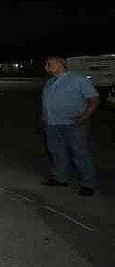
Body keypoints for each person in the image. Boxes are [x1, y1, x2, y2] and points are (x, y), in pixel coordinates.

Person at [41, 55, 100, 196]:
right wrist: (43, 118)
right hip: (52, 124)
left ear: (61, 64)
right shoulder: (49, 82)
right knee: (57, 152)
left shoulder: (78, 80)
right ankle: (60, 178)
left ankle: (88, 184)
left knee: (79, 154)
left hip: (74, 124)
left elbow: (94, 100)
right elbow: (46, 102)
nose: (46, 67)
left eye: (49, 64)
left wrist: (85, 117)